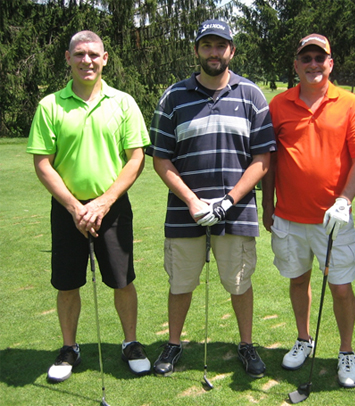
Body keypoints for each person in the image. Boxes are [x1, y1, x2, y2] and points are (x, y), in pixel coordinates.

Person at [147, 19, 276, 379]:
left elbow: (262, 159)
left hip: (235, 213)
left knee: (239, 282)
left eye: (221, 46)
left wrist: (227, 201)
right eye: (207, 46)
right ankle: (174, 343)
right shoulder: (174, 97)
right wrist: (192, 201)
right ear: (197, 51)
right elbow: (161, 158)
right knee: (181, 283)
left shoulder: (251, 95)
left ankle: (246, 344)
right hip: (183, 211)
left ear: (232, 51)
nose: (214, 52)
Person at [27, 30, 151, 382]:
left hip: (112, 207)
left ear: (105, 58)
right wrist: (74, 207)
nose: (87, 60)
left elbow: (135, 158)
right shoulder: (50, 105)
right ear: (67, 58)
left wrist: (103, 202)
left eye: (93, 54)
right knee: (67, 283)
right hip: (67, 210)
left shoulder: (124, 102)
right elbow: (42, 163)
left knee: (122, 279)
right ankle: (70, 348)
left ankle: (131, 343)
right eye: (79, 54)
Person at [262, 34, 355, 388]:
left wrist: (345, 200)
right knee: (298, 280)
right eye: (305, 58)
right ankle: (303, 339)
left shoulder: (351, 104)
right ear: (295, 64)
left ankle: (346, 350)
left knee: (340, 288)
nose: (313, 64)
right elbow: (271, 160)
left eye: (319, 58)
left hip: (334, 219)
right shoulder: (278, 105)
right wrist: (268, 204)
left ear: (330, 63)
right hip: (290, 217)